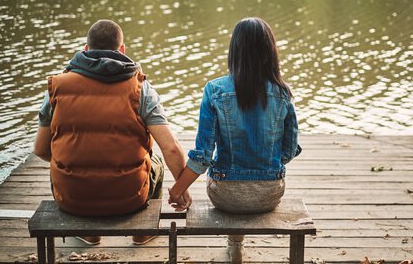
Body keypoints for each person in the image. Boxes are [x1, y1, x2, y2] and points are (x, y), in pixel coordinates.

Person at [34, 19, 191, 246]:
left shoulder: (56, 87)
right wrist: (181, 187)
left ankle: (89, 234)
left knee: (59, 164)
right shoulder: (141, 88)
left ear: (86, 49)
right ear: (122, 50)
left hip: (70, 198)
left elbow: (40, 149)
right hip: (129, 199)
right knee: (154, 159)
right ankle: (142, 232)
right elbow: (171, 148)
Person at [167, 17, 301, 263]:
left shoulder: (215, 90)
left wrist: (178, 190)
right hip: (269, 193)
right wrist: (266, 161)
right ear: (270, 52)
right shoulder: (283, 93)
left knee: (226, 174)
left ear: (234, 50)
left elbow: (203, 156)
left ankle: (234, 244)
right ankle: (236, 245)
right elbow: (289, 151)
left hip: (225, 195)